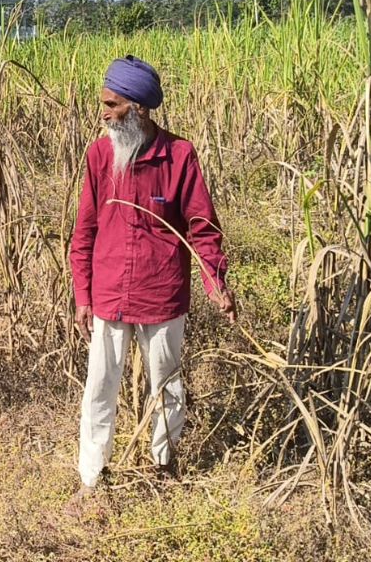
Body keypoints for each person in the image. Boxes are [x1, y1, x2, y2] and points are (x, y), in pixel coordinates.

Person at [67, 55, 237, 511]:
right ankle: (91, 478)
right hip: (108, 294)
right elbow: (84, 231)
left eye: (112, 104)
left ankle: (165, 465)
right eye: (103, 103)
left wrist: (214, 281)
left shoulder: (179, 155)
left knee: (166, 384)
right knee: (100, 385)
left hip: (162, 293)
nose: (103, 113)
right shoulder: (99, 155)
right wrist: (82, 294)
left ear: (139, 108)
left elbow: (202, 226)